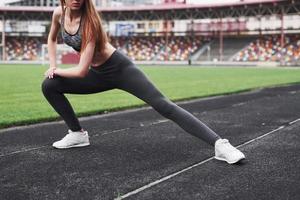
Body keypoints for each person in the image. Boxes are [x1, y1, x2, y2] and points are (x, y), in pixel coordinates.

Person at [42, 0, 245, 164]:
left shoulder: (90, 24)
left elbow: (80, 71)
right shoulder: (59, 14)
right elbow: (51, 39)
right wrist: (52, 65)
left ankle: (220, 145)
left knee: (163, 105)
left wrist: (56, 70)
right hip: (96, 73)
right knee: (50, 85)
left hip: (119, 69)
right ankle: (77, 134)